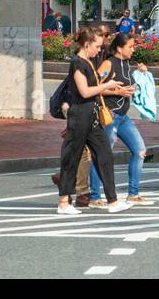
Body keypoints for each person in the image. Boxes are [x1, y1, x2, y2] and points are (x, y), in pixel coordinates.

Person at [56, 27, 131, 216]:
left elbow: (93, 88)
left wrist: (109, 86)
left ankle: (113, 201)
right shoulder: (77, 63)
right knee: (71, 158)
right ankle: (63, 202)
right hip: (79, 116)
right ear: (87, 44)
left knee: (104, 154)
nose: (99, 50)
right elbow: (84, 92)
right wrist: (107, 86)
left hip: (91, 116)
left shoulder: (88, 61)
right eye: (97, 46)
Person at [88, 33, 153, 207]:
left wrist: (140, 75)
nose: (133, 49)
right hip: (110, 115)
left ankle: (133, 194)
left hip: (123, 116)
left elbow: (128, 83)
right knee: (102, 154)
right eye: (130, 46)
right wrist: (117, 92)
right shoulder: (109, 63)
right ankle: (95, 196)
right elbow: (93, 87)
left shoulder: (126, 64)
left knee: (140, 150)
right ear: (119, 48)